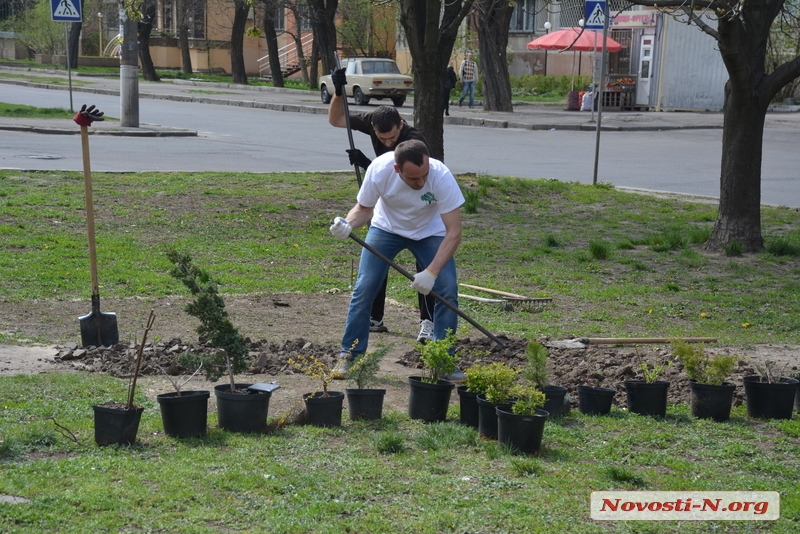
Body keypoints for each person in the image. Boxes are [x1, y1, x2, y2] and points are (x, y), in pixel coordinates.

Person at [329, 140, 465, 381]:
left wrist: (431, 273)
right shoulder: (380, 170)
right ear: (397, 169)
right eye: (414, 179)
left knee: (447, 290)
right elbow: (363, 208)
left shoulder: (440, 175)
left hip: (430, 233)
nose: (421, 183)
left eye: (424, 176)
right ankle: (349, 356)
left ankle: (443, 360)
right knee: (365, 288)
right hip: (386, 229)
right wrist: (347, 224)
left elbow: (454, 232)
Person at [328, 68, 436, 343]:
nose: (387, 142)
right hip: (389, 204)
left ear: (400, 124)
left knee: (425, 268)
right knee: (377, 261)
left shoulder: (415, 141)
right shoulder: (375, 121)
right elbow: (337, 119)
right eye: (382, 138)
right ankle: (374, 317)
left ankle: (428, 322)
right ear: (375, 128)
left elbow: (406, 176)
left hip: (419, 203)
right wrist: (339, 91)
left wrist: (367, 163)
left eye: (392, 138)